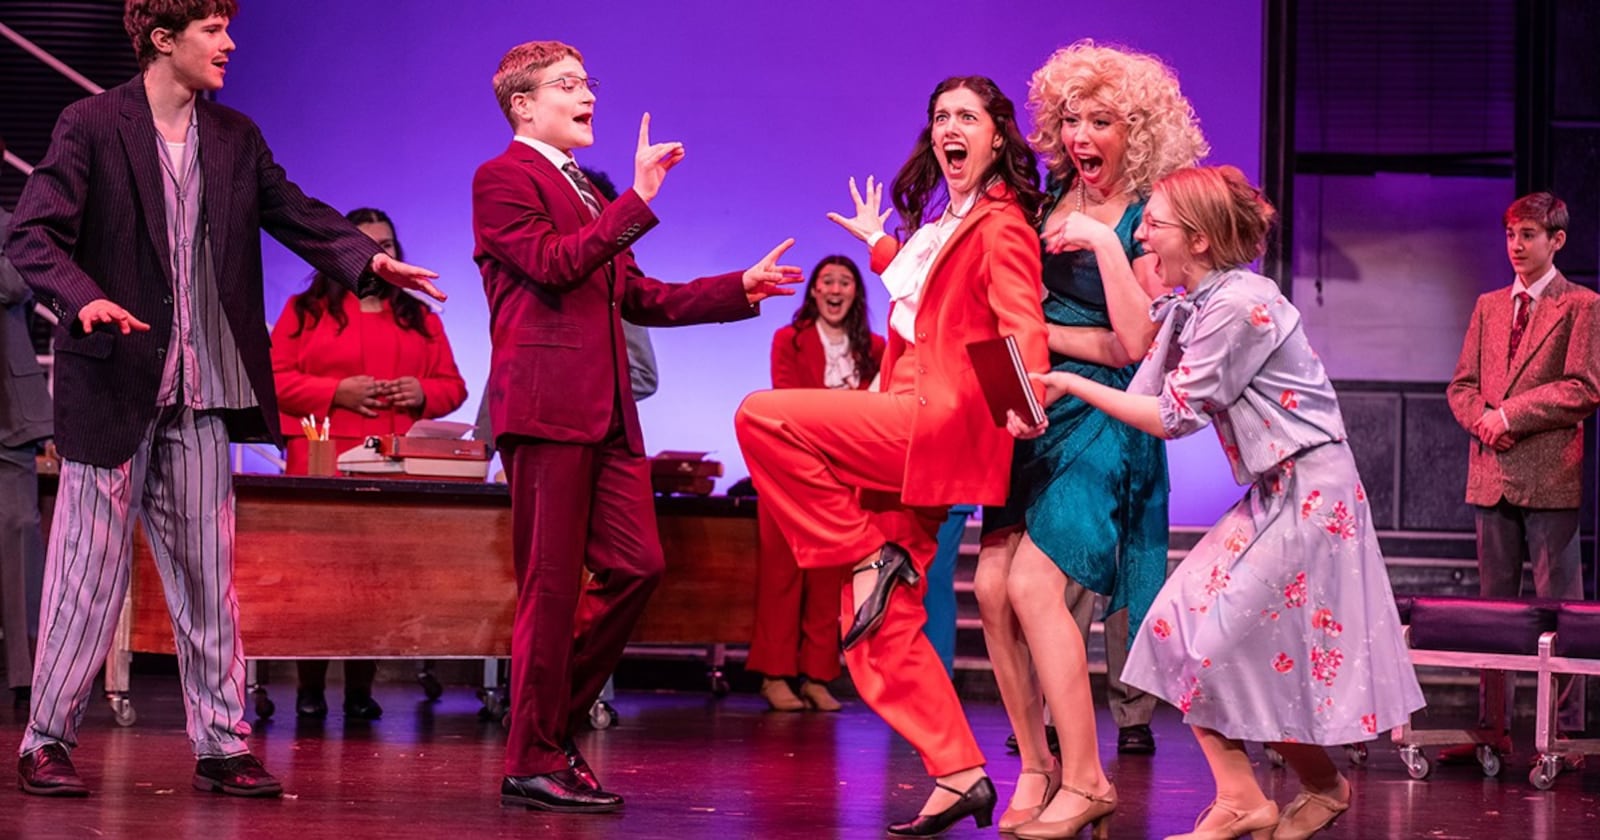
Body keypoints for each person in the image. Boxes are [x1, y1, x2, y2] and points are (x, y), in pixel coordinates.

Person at [4, 0, 443, 798]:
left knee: (211, 581)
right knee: (84, 575)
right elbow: (33, 233)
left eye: (227, 26)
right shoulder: (92, 123)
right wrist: (82, 296)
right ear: (161, 40)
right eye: (211, 29)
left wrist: (370, 264)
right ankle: (46, 740)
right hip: (114, 383)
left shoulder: (235, 137)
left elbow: (297, 211)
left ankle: (222, 741)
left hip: (203, 395)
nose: (229, 42)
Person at [1032, 165, 1423, 840]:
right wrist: (1060, 383)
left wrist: (1070, 380)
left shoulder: (1242, 303)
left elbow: (1171, 415)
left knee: (1212, 645)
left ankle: (1260, 796)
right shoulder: (1196, 305)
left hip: (1311, 488)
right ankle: (1306, 789)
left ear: (1201, 240)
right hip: (1274, 491)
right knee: (1172, 630)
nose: (1143, 234)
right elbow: (1145, 376)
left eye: (1154, 223)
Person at [473, 40, 799, 814]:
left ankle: (546, 728)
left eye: (588, 82)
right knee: (548, 590)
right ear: (523, 105)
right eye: (567, 85)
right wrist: (642, 196)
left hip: (609, 415)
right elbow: (553, 264)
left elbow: (639, 297)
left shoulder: (587, 188)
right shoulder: (502, 178)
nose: (587, 95)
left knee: (640, 566)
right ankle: (534, 754)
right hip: (549, 410)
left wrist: (739, 289)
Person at [737, 75, 1049, 836]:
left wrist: (1019, 409)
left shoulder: (1003, 224)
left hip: (931, 424)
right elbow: (923, 288)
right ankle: (959, 771)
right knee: (872, 623)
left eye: (967, 117)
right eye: (940, 116)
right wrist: (878, 244)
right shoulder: (954, 220)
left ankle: (860, 549)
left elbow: (1018, 321)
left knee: (763, 418)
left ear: (997, 137)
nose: (949, 127)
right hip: (905, 426)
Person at [978, 41, 1209, 836]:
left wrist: (1097, 255)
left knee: (1037, 586)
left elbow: (1138, 343)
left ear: (1136, 131)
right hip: (1036, 412)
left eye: (1100, 119)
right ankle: (1038, 771)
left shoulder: (1150, 215)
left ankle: (1089, 777)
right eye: (1070, 118)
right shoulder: (1045, 203)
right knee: (990, 590)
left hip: (1109, 415)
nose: (1080, 134)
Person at [270, 206, 468, 720]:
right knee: (314, 582)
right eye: (366, 243)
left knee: (376, 580)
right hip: (322, 459)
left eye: (388, 244)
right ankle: (308, 688)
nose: (380, 253)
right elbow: (272, 379)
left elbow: (455, 388)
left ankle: (361, 689)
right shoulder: (304, 310)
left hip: (393, 466)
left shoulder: (419, 314)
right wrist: (336, 390)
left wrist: (421, 391)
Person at [1445, 191, 1598, 752]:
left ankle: (1566, 732)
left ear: (1556, 240)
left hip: (1549, 475)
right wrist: (1484, 419)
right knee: (1494, 611)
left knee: (1561, 607)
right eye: (1511, 234)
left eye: (1528, 235)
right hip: (1491, 473)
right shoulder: (1488, 305)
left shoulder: (1581, 305)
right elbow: (1461, 384)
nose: (1516, 245)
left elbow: (1583, 387)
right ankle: (1494, 728)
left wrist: (1510, 414)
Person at [748, 254, 884, 712]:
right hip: (787, 474)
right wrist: (846, 411)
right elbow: (788, 401)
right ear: (813, 292)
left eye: (845, 282)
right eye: (827, 280)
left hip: (842, 478)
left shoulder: (876, 348)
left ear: (855, 293)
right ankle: (774, 675)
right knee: (782, 578)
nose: (835, 289)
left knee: (829, 581)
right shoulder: (789, 340)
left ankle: (817, 675)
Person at [0, 184, 51, 710]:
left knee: (18, 538)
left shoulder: (15, 226)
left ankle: (26, 674)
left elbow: (16, 284)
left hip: (7, 408)